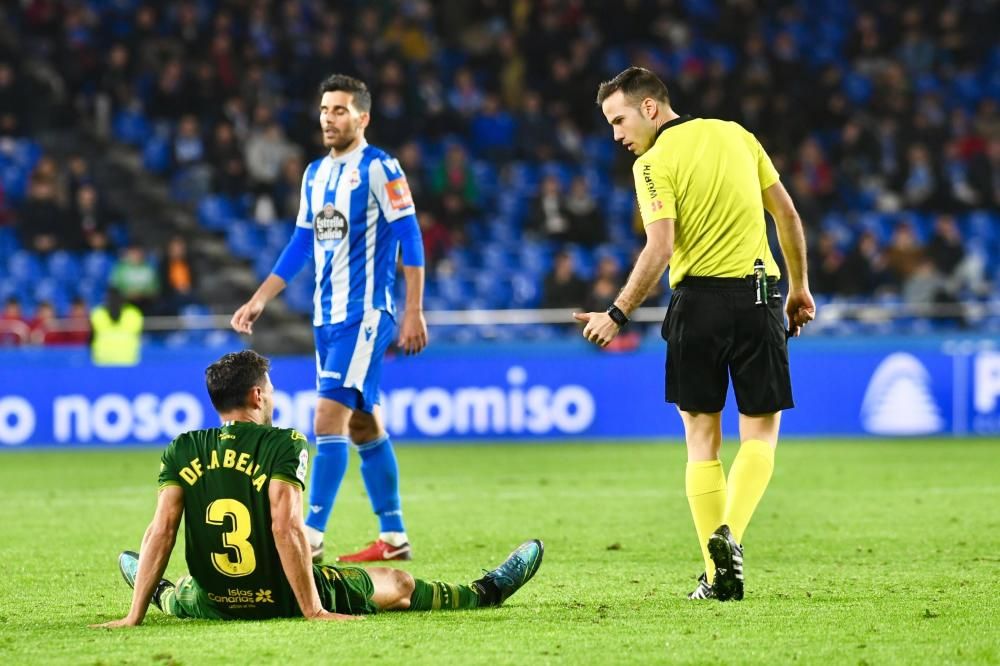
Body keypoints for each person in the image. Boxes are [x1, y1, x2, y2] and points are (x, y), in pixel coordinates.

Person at [575, 67, 815, 602]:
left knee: (702, 442)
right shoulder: (739, 135)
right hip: (758, 298)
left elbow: (660, 249)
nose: (616, 135)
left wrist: (615, 313)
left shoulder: (653, 163)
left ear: (651, 109)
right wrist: (799, 288)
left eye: (619, 120)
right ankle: (729, 541)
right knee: (760, 436)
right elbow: (789, 216)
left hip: (697, 306)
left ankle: (715, 562)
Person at [90, 350, 543, 627]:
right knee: (400, 584)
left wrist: (133, 617)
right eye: (270, 387)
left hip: (217, 599)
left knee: (188, 594)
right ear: (256, 397)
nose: (273, 393)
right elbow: (287, 527)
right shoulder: (283, 443)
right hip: (284, 593)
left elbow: (161, 531)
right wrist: (312, 610)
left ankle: (158, 593)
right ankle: (488, 592)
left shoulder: (182, 448)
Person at [231, 75, 428, 564]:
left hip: (365, 313)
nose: (328, 118)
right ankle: (394, 536)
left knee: (326, 418)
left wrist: (413, 310)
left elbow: (411, 236)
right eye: (324, 109)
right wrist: (261, 297)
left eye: (339, 110)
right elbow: (301, 244)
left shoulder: (382, 168)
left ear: (362, 117)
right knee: (362, 425)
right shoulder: (315, 174)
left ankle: (309, 537)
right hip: (326, 317)